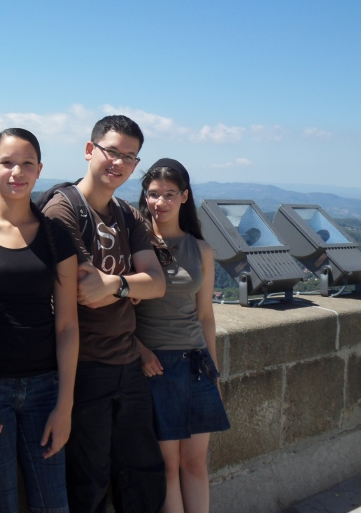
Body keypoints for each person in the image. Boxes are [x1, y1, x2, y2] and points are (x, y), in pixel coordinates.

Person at [40, 114, 167, 513]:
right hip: (85, 367)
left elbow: (157, 284)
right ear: (89, 150)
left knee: (142, 474)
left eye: (130, 157)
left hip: (127, 362)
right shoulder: (62, 211)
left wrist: (114, 285)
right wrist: (130, 287)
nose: (119, 163)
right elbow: (84, 291)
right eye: (112, 151)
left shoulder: (127, 214)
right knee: (89, 480)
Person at [0, 128, 79, 513]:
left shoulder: (56, 236)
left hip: (46, 387)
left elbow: (67, 325)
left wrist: (65, 405)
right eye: (7, 162)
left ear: (39, 169)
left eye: (27, 163)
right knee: (1, 503)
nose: (17, 172)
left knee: (53, 503)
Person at [135, 158, 230, 513]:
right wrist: (140, 350)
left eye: (169, 194)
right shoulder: (136, 246)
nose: (159, 202)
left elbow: (205, 316)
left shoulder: (201, 250)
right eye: (153, 194)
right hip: (156, 366)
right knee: (168, 465)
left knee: (194, 463)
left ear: (184, 196)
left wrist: (214, 371)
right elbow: (119, 313)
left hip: (196, 364)